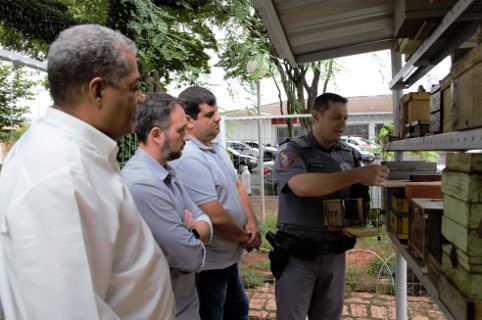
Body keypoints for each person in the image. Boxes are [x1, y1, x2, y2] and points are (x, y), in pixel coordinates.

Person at [0, 24, 175, 319]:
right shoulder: (60, 176)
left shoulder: (80, 154)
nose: (141, 98)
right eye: (133, 88)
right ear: (98, 91)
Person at [272, 92, 390, 320]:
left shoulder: (350, 154)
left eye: (345, 118)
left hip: (335, 255)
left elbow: (358, 200)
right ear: (316, 115)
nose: (342, 124)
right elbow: (301, 186)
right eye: (336, 117)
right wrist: (356, 175)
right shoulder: (291, 151)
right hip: (298, 257)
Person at [170, 86, 262, 320]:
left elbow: (238, 184)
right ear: (188, 121)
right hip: (209, 266)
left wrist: (251, 222)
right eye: (209, 114)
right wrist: (246, 238)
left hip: (228, 259)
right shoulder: (189, 156)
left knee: (238, 310)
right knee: (215, 313)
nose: (218, 117)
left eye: (217, 112)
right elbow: (215, 217)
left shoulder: (215, 147)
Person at [122, 92, 213, 320]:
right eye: (181, 130)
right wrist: (194, 232)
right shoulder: (143, 185)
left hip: (184, 306)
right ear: (156, 135)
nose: (187, 138)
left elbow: (204, 218)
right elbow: (190, 257)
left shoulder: (166, 172)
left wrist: (190, 233)